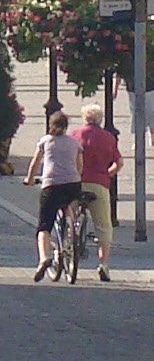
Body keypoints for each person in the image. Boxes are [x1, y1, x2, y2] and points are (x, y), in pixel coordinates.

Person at [25, 108, 86, 282]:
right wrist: (77, 177)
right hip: (72, 184)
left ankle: (44, 258)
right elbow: (79, 165)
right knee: (69, 207)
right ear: (66, 127)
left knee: (44, 226)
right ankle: (72, 232)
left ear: (50, 125)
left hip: (51, 185)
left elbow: (35, 163)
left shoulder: (45, 141)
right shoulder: (74, 143)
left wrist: (29, 179)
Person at [76, 101, 122, 282]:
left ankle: (69, 237)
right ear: (100, 119)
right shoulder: (108, 138)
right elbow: (119, 163)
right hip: (99, 183)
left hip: (77, 182)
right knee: (104, 226)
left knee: (68, 209)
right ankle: (103, 263)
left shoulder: (75, 135)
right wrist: (107, 174)